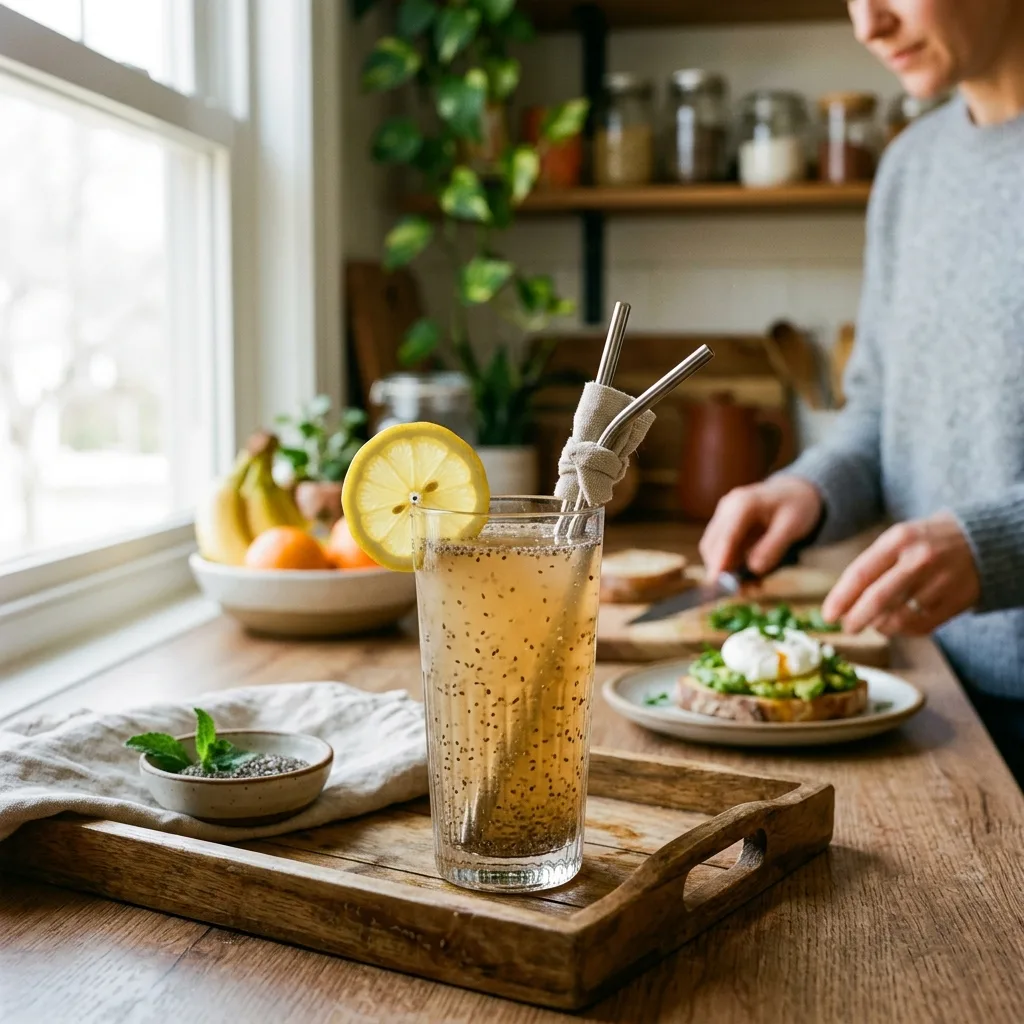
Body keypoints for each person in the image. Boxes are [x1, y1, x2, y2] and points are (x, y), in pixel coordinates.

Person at [699, 0, 1024, 781]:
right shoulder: (912, 167)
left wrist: (997, 547)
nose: (867, 24)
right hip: (933, 686)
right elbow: (879, 412)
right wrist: (805, 492)